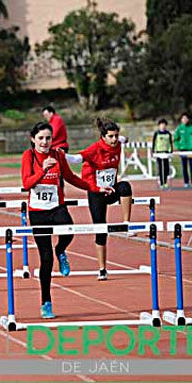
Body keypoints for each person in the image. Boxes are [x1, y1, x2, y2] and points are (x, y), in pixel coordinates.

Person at [21, 122, 90, 319]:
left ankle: (61, 250)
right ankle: (46, 302)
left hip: (57, 206)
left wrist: (94, 188)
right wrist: (42, 170)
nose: (45, 142)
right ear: (33, 139)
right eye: (41, 138)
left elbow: (70, 177)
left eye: (48, 138)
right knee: (45, 259)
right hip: (38, 212)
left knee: (69, 231)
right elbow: (26, 183)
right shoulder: (29, 156)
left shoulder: (58, 155)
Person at [74, 118, 133, 281]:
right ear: (103, 137)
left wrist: (123, 138)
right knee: (101, 230)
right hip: (96, 192)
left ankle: (126, 224)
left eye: (116, 136)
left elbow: (123, 139)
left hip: (112, 189)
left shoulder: (118, 143)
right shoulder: (95, 149)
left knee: (126, 187)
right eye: (111, 137)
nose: (114, 139)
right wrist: (60, 155)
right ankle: (102, 269)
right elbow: (77, 159)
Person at [174, 113, 192, 188]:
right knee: (184, 167)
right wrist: (179, 147)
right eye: (183, 119)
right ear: (181, 120)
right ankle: (186, 182)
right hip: (183, 150)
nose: (185, 120)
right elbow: (176, 139)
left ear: (188, 119)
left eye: (186, 118)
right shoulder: (179, 128)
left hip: (191, 150)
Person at [151, 119, 173, 188]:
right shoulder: (156, 133)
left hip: (166, 152)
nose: (163, 126)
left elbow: (170, 143)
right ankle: (161, 182)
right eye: (161, 125)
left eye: (164, 125)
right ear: (159, 126)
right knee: (160, 168)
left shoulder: (168, 133)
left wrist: (170, 150)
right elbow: (154, 143)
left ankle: (165, 182)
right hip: (159, 153)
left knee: (166, 168)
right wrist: (154, 151)